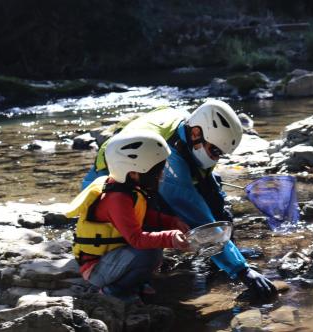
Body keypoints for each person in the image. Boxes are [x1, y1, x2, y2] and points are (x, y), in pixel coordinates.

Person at [83, 100, 278, 300]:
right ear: (195, 134)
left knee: (215, 197)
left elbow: (209, 194)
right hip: (110, 194)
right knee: (157, 244)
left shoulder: (187, 127)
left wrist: (225, 235)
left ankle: (221, 257)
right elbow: (197, 216)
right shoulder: (169, 159)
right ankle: (119, 285)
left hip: (139, 179)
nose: (217, 158)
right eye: (215, 152)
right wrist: (242, 271)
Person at [67, 130, 190, 304]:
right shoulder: (117, 198)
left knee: (156, 237)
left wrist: (173, 222)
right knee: (150, 253)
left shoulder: (127, 188)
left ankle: (135, 282)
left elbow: (145, 217)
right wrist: (170, 238)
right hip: (96, 268)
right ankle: (113, 291)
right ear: (133, 173)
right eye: (156, 171)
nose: (161, 175)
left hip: (112, 255)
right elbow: (136, 239)